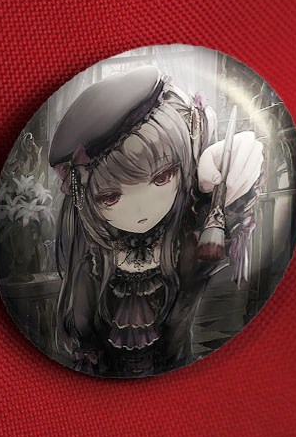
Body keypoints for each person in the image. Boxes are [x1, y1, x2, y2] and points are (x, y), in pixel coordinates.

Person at [49, 65, 263, 377]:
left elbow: (212, 249)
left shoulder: (182, 244)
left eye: (162, 177)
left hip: (179, 372)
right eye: (110, 197)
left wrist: (221, 193)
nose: (142, 209)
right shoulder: (95, 257)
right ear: (85, 199)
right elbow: (82, 324)